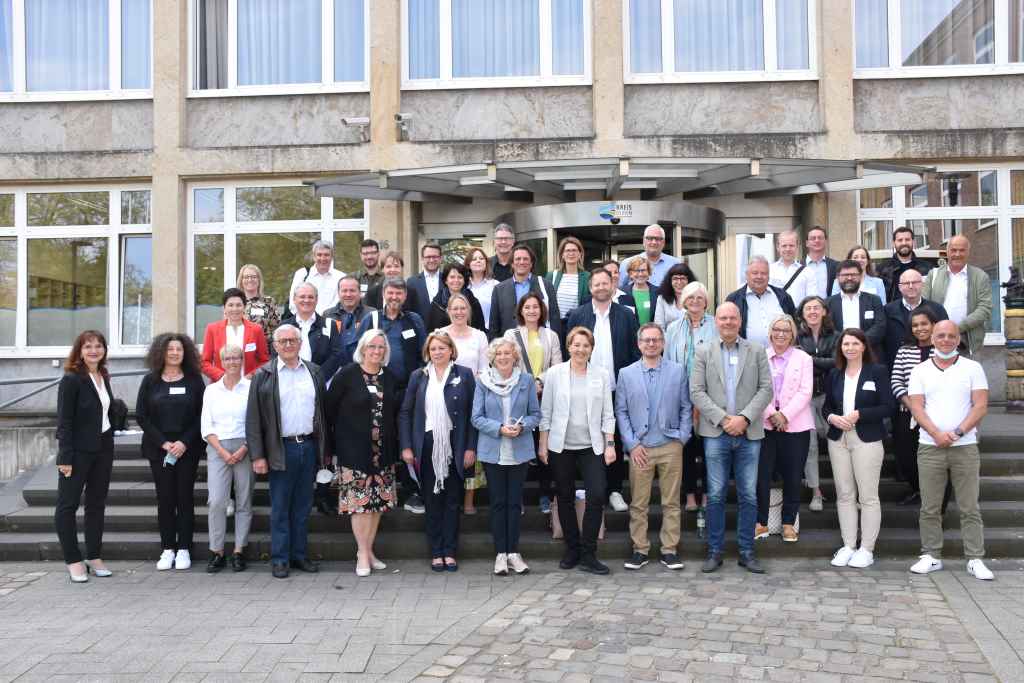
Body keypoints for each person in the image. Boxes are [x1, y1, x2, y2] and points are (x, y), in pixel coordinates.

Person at [689, 302, 773, 574]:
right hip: (716, 432)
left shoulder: (757, 350)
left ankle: (747, 552)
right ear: (717, 322)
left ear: (739, 320)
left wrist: (744, 418)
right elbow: (697, 391)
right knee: (715, 495)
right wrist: (725, 420)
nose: (727, 322)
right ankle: (715, 551)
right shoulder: (703, 351)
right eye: (723, 317)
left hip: (749, 433)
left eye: (732, 318)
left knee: (748, 495)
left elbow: (765, 389)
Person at [908, 320, 993, 580]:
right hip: (929, 446)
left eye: (951, 336)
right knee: (930, 507)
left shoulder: (973, 368)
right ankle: (932, 556)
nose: (946, 340)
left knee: (970, 507)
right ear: (932, 338)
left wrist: (957, 433)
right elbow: (917, 407)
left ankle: (975, 559)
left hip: (964, 446)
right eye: (941, 335)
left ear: (958, 339)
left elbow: (980, 406)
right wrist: (936, 434)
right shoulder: (920, 370)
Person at [246, 324, 328, 579]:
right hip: (280, 449)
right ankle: (280, 558)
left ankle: (299, 555)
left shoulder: (314, 372)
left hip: (309, 446)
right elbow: (253, 419)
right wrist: (258, 456)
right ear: (275, 346)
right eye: (283, 341)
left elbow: (323, 415)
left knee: (303, 507)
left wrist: (325, 450)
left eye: (293, 340)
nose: (289, 345)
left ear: (301, 343)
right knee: (281, 507)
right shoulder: (264, 375)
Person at [538, 327, 616, 575]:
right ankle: (572, 549)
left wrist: (610, 444)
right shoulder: (554, 374)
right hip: (561, 445)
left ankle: (588, 552)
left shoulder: (601, 375)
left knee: (596, 495)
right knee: (565, 495)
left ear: (591, 349)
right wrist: (543, 443)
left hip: (592, 445)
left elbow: (607, 413)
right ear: (569, 346)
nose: (581, 349)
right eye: (576, 344)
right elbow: (546, 412)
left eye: (586, 345)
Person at [615, 323, 692, 571]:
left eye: (656, 340)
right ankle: (640, 549)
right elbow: (621, 411)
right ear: (639, 344)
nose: (651, 344)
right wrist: (632, 444)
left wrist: (682, 438)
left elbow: (686, 407)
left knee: (671, 502)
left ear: (662, 343)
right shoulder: (626, 373)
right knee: (639, 503)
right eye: (646, 340)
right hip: (641, 448)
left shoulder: (678, 371)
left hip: (670, 445)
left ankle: (669, 550)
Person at [399, 332, 478, 572]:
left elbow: (473, 414)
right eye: (433, 349)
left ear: (451, 350)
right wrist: (406, 445)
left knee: (452, 500)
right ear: (427, 352)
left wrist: (471, 448)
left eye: (442, 348)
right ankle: (436, 551)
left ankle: (450, 551)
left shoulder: (464, 375)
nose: (438, 352)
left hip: (456, 444)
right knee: (432, 501)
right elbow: (405, 412)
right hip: (427, 443)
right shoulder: (418, 376)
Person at [325, 329, 401, 577]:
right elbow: (329, 412)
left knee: (377, 503)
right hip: (353, 451)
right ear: (363, 349)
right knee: (359, 505)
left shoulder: (390, 377)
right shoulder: (346, 375)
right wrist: (333, 447)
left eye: (381, 347)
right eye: (372, 347)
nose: (376, 351)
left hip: (383, 452)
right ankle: (361, 553)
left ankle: (369, 551)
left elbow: (396, 412)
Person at [566, 268, 640, 512]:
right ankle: (592, 487)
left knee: (614, 438)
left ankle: (615, 490)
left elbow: (633, 352)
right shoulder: (578, 314)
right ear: (590, 288)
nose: (600, 287)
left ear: (612, 285)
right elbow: (572, 349)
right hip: (583, 389)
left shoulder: (627, 315)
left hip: (616, 388)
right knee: (588, 438)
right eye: (596, 284)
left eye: (604, 283)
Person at [823, 328, 894, 570]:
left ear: (864, 346)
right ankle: (848, 545)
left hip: (867, 438)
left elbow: (888, 406)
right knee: (844, 494)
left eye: (855, 343)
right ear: (840, 348)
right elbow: (827, 407)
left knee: (868, 496)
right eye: (846, 344)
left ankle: (867, 549)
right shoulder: (835, 373)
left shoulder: (877, 372)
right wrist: (832, 417)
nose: (850, 348)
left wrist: (859, 414)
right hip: (838, 438)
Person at [136, 333, 206, 572]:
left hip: (188, 449)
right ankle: (168, 548)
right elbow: (142, 416)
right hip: (160, 451)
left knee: (184, 498)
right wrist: (164, 443)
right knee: (165, 499)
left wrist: (184, 442)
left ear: (185, 353)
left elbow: (202, 416)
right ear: (161, 353)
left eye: (179, 349)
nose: (174, 353)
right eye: (170, 349)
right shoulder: (150, 381)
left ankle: (185, 548)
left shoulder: (195, 381)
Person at [471, 338, 542, 576]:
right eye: (499, 353)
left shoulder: (526, 380)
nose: (503, 357)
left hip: (519, 450)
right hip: (494, 451)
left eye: (507, 353)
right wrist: (499, 428)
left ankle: (514, 552)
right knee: (498, 503)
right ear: (492, 357)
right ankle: (500, 553)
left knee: (514, 504)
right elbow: (476, 417)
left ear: (515, 356)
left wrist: (522, 428)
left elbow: (535, 414)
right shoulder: (483, 381)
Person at [358, 278, 428, 514]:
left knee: (407, 437)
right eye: (391, 292)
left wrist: (419, 380)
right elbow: (359, 350)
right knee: (383, 436)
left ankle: (411, 489)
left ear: (405, 296)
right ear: (383, 294)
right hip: (379, 388)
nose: (395, 297)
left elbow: (424, 352)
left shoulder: (414, 320)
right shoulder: (372, 319)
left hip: (409, 389)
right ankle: (384, 488)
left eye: (399, 293)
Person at [55, 330, 117, 583]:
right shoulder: (71, 380)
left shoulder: (102, 375)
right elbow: (64, 422)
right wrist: (65, 457)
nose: (94, 350)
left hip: (103, 449)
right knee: (67, 505)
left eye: (98, 346)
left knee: (96, 504)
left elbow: (103, 412)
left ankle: (93, 555)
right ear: (79, 351)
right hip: (77, 452)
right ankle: (73, 559)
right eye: (88, 346)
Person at [754, 315, 814, 543]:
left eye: (786, 331)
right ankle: (761, 522)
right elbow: (756, 388)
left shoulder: (804, 358)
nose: (781, 334)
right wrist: (772, 414)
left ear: (793, 335)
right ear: (770, 333)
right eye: (777, 330)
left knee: (792, 476)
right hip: (765, 424)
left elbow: (805, 391)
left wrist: (785, 415)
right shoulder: (760, 356)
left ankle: (789, 522)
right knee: (762, 475)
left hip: (796, 425)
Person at [503, 292, 562, 514]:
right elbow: (506, 361)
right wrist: (527, 383)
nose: (531, 311)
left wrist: (539, 381)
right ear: (521, 310)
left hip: (544, 394)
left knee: (543, 445)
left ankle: (545, 495)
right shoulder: (511, 334)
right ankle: (517, 497)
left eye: (535, 307)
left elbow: (556, 365)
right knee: (519, 445)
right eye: (527, 307)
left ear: (541, 310)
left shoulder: (551, 336)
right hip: (518, 394)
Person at [665, 282, 718, 512]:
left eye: (700, 297)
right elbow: (667, 362)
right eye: (691, 297)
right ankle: (688, 495)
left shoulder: (716, 325)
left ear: (706, 301)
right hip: (681, 397)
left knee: (709, 449)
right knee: (684, 448)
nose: (695, 301)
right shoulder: (672, 328)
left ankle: (706, 493)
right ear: (683, 301)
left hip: (710, 397)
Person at [200, 344, 253, 573]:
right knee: (217, 501)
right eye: (228, 358)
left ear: (242, 361)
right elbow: (206, 425)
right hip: (218, 447)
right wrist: (222, 452)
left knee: (243, 501)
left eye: (236, 358)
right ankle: (217, 551)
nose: (232, 362)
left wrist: (244, 448)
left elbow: (256, 422)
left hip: (245, 447)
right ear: (221, 362)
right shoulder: (211, 391)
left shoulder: (251, 388)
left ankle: (239, 551)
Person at [440, 293, 490, 514]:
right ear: (448, 311)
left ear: (468, 311)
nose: (459, 312)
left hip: (472, 396)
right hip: (443, 400)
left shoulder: (479, 336)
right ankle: (448, 494)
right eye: (455, 308)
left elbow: (485, 369)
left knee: (471, 448)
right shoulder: (439, 335)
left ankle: (469, 501)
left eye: (463, 308)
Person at [891, 309, 940, 505]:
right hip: (907, 413)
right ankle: (918, 490)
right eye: (915, 325)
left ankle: (935, 497)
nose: (920, 328)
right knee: (906, 457)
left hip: (936, 415)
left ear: (934, 325)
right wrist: (913, 406)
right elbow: (896, 381)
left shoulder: (942, 350)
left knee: (936, 458)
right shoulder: (904, 350)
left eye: (924, 323)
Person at [794, 296, 837, 512]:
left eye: (816, 308)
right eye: (807, 308)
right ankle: (816, 491)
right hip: (805, 398)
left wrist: (809, 359)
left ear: (824, 312)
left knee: (837, 446)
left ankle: (846, 491)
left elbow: (838, 362)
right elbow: (795, 364)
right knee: (810, 447)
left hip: (831, 397)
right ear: (802, 313)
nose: (812, 311)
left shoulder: (836, 336)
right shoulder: (796, 337)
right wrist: (822, 362)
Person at [922, 234, 992, 356]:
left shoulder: (980, 276)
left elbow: (985, 308)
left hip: (967, 341)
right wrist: (939, 329)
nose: (957, 254)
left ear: (968, 252)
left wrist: (958, 328)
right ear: (947, 252)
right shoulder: (933, 275)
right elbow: (923, 305)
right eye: (953, 250)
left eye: (962, 250)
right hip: (937, 341)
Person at [488, 243, 561, 339]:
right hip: (509, 345)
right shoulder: (499, 289)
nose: (522, 262)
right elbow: (494, 325)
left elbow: (554, 318)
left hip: (539, 342)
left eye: (525, 259)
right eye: (518, 259)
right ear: (512, 264)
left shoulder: (546, 285)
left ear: (531, 263)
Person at [279, 283, 347, 383]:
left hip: (321, 383)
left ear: (316, 299)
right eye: (302, 297)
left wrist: (318, 378)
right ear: (294, 299)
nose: (306, 300)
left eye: (311, 297)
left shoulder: (329, 325)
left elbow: (336, 355)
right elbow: (276, 354)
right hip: (289, 381)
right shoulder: (284, 326)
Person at [725, 255, 796, 348]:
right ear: (746, 275)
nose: (759, 276)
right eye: (755, 273)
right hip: (748, 357)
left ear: (769, 276)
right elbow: (727, 328)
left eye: (764, 273)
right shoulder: (734, 299)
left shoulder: (783, 296)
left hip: (781, 357)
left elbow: (794, 324)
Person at [882, 268, 948, 368]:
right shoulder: (887, 310)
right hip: (897, 367)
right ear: (900, 287)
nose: (911, 286)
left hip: (933, 366)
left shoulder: (937, 309)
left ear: (922, 284)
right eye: (906, 283)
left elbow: (945, 337)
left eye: (915, 282)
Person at [201, 287, 270, 381]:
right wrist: (222, 377)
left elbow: (264, 361)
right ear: (224, 308)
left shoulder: (256, 330)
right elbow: (204, 362)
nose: (235, 309)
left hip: (249, 386)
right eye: (230, 305)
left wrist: (250, 377)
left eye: (238, 305)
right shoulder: (212, 329)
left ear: (244, 307)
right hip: (221, 386)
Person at [825, 259, 886, 360]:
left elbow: (880, 327)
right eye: (845, 275)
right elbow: (827, 329)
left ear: (861, 276)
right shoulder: (828, 303)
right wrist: (846, 344)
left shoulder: (874, 300)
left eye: (854, 274)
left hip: (869, 354)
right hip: (839, 355)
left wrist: (858, 343)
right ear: (838, 278)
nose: (849, 278)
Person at [324, 275, 376, 359]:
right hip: (336, 368)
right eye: (344, 291)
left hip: (363, 366)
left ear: (360, 293)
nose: (348, 294)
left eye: (352, 291)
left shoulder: (372, 314)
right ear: (338, 293)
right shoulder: (328, 315)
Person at [877, 225, 933, 302]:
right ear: (894, 243)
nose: (904, 243)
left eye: (907, 239)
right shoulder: (882, 269)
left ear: (913, 242)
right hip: (892, 313)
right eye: (900, 240)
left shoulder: (927, 268)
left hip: (920, 312)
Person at [287, 239, 344, 316]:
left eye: (326, 255)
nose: (323, 258)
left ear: (332, 257)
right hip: (304, 322)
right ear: (314, 257)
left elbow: (340, 303)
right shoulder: (302, 274)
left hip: (331, 322)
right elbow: (293, 302)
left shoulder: (341, 277)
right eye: (319, 255)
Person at [427, 262, 486, 333]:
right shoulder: (436, 304)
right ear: (446, 280)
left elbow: (480, 329)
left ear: (464, 280)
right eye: (452, 277)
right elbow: (431, 332)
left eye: (460, 277)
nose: (456, 280)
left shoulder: (473, 302)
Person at [547, 236, 590, 331]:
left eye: (574, 250)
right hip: (555, 326)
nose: (571, 253)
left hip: (577, 326)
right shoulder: (552, 276)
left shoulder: (587, 277)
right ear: (562, 254)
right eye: (567, 250)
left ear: (580, 254)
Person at [618, 224, 680, 288]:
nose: (654, 242)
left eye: (658, 239)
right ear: (643, 241)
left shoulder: (675, 264)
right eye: (650, 238)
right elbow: (619, 291)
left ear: (663, 242)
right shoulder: (627, 263)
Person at [788, 225, 839, 303]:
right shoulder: (797, 267)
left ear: (826, 241)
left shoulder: (836, 266)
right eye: (813, 238)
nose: (817, 240)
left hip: (828, 311)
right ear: (807, 243)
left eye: (820, 238)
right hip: (805, 311)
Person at [238, 263, 281, 348]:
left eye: (254, 277)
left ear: (259, 280)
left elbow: (276, 329)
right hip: (239, 351)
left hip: (263, 350)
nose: (250, 280)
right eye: (246, 277)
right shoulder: (235, 302)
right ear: (241, 280)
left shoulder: (269, 302)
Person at [653, 262, 699, 329]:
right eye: (675, 278)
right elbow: (659, 326)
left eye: (682, 278)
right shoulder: (662, 299)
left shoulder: (697, 298)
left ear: (689, 281)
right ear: (670, 281)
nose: (679, 282)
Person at [407, 243, 444, 323]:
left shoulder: (447, 280)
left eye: (435, 257)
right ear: (422, 259)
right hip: (420, 329)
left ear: (441, 259)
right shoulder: (411, 282)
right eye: (428, 257)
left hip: (444, 331)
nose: (431, 260)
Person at [466, 246, 499, 332]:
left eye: (481, 258)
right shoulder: (464, 287)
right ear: (468, 264)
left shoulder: (496, 285)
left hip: (491, 333)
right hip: (468, 333)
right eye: (474, 259)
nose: (478, 260)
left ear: (486, 263)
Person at [622, 258, 656, 325]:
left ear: (649, 272)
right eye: (637, 271)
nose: (640, 274)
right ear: (630, 274)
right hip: (630, 334)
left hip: (651, 334)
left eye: (643, 270)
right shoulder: (622, 293)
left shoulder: (658, 292)